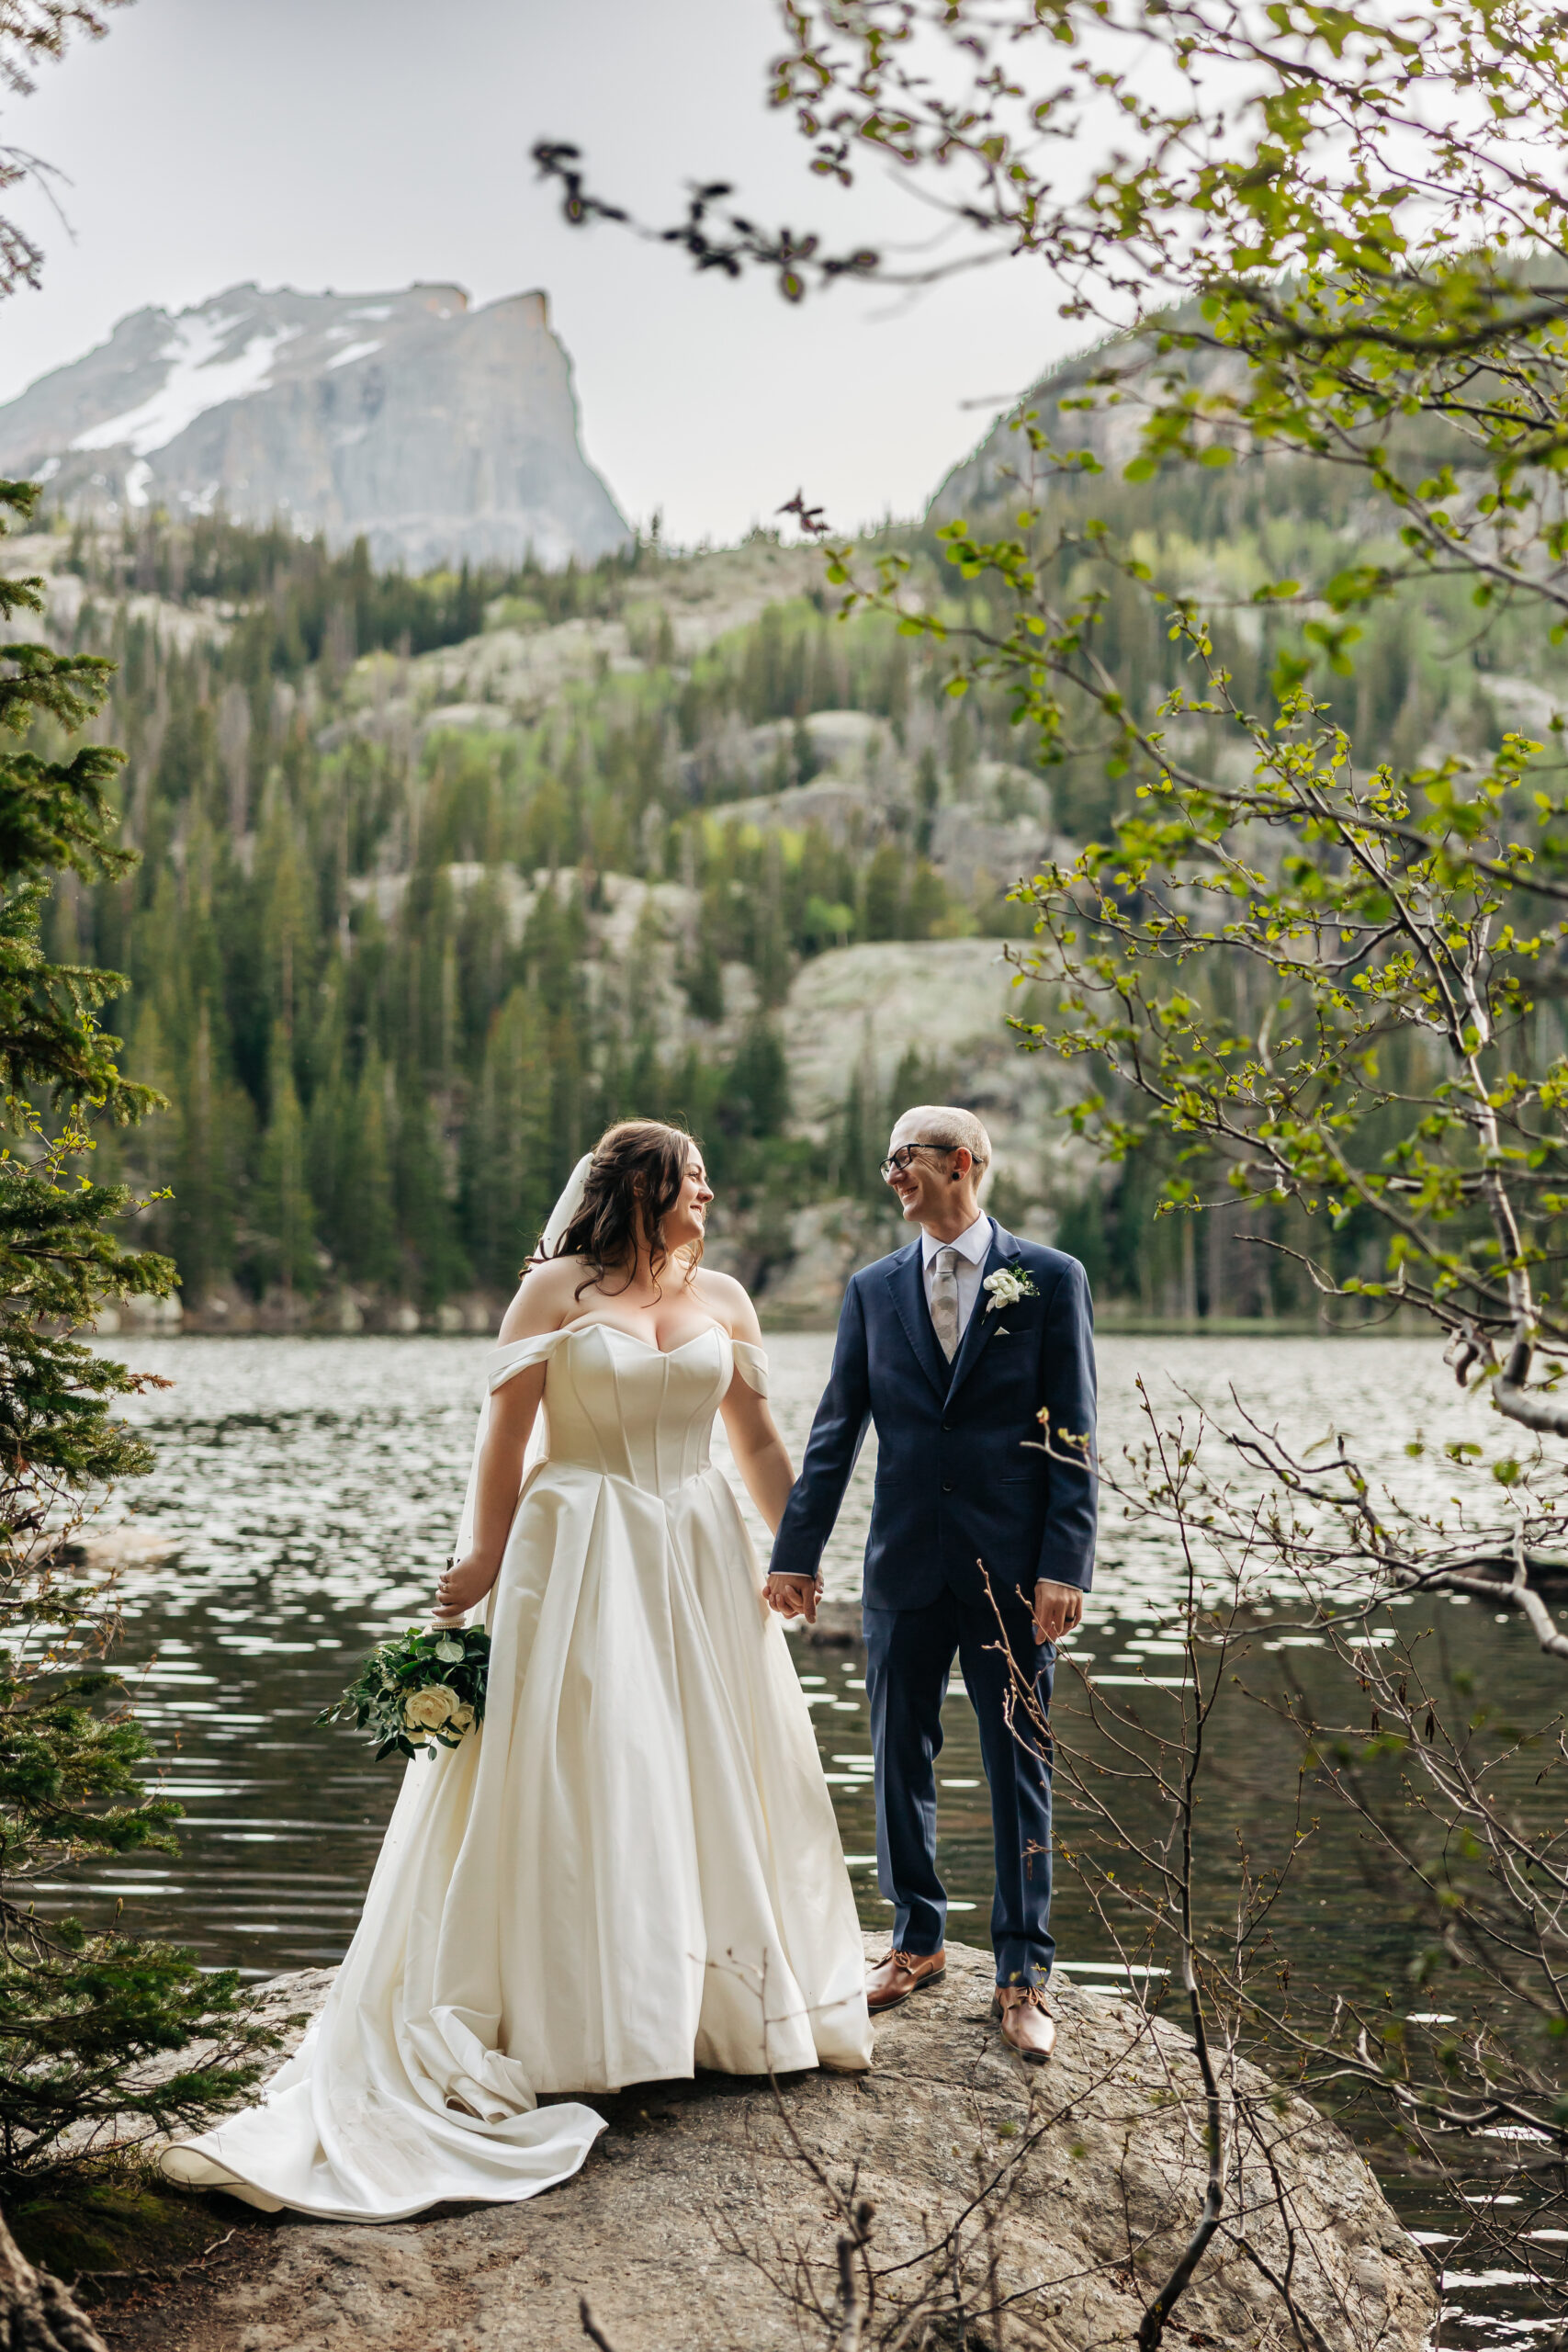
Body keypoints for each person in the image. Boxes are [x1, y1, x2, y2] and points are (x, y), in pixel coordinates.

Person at [162, 1121, 872, 2222]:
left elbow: (761, 1441)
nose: (710, 1193)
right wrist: (483, 1556)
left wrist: (795, 1552)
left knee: (703, 1766)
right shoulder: (552, 1295)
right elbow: (504, 1437)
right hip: (576, 1547)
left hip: (693, 1546)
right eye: (691, 1179)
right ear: (639, 1191)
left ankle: (707, 2011)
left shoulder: (725, 1297)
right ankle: (582, 2020)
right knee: (591, 1764)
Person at [767, 1105, 1096, 2064]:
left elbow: (1071, 1433)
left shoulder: (1048, 1278)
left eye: (903, 1159)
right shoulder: (873, 1290)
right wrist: (796, 1551)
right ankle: (916, 1939)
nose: (891, 1176)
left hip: (1011, 1571)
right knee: (897, 1756)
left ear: (960, 1163)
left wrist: (1063, 1565)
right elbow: (838, 1428)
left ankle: (1024, 1972)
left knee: (1018, 1766)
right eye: (887, 1161)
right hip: (903, 1564)